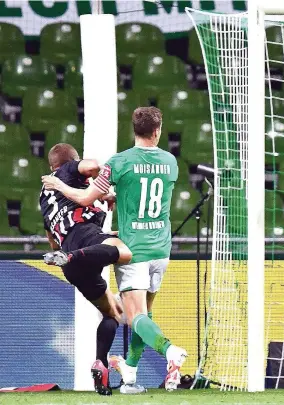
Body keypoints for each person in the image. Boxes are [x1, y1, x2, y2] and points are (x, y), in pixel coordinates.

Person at [42, 107, 187, 392]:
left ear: (133, 130)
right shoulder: (171, 162)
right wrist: (113, 196)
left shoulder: (119, 162)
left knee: (133, 317)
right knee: (140, 314)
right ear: (158, 131)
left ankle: (169, 352)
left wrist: (62, 184)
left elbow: (84, 198)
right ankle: (129, 376)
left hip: (133, 248)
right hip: (161, 247)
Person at [40, 143, 135, 396]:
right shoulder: (67, 172)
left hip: (71, 261)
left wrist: (101, 199)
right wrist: (101, 185)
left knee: (113, 313)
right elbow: (93, 166)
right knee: (125, 253)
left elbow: (52, 238)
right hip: (83, 241)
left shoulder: (44, 198)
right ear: (71, 162)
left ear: (50, 167)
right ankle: (72, 257)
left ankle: (100, 364)